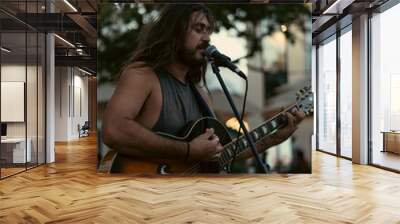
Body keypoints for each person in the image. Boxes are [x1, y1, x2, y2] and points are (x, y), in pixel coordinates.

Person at [102, 4, 305, 170]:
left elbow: (218, 152)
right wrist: (188, 151)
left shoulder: (201, 93)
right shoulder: (143, 75)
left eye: (209, 31)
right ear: (174, 32)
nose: (207, 38)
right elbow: (114, 130)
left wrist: (269, 140)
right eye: (198, 29)